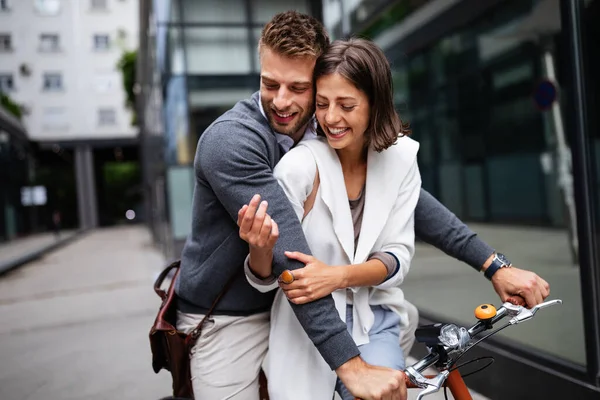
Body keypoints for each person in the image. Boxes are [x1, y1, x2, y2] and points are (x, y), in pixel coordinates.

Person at [174, 10, 550, 400]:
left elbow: (408, 201)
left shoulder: (324, 121)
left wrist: (492, 265)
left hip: (309, 306)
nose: (281, 101)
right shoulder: (231, 143)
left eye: (298, 88)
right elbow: (293, 261)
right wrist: (352, 367)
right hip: (231, 314)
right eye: (270, 84)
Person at [240, 37, 421, 400]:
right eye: (322, 104)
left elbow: (398, 258)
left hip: (376, 319)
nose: (331, 118)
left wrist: (337, 276)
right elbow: (272, 277)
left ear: (375, 103)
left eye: (347, 105)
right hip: (309, 327)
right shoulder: (298, 167)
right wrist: (258, 250)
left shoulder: (402, 159)